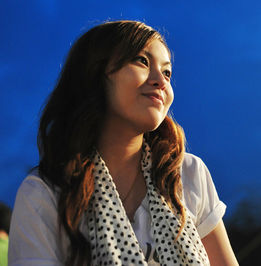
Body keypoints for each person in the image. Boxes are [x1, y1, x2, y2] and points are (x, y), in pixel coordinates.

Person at [8, 20, 238, 265]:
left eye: (167, 72)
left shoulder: (188, 175)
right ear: (94, 74)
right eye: (142, 61)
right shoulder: (44, 195)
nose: (161, 81)